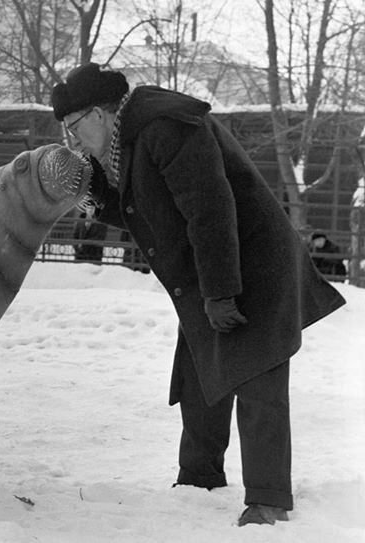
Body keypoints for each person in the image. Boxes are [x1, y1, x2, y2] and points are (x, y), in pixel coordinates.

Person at [51, 62, 346, 526]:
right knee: (197, 370)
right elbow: (148, 209)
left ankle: (269, 501)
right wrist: (90, 196)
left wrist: (221, 292)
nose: (74, 142)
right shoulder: (133, 137)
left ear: (98, 114)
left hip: (252, 265)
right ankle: (198, 479)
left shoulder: (166, 127)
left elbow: (209, 207)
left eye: (73, 129)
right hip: (216, 266)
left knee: (257, 375)